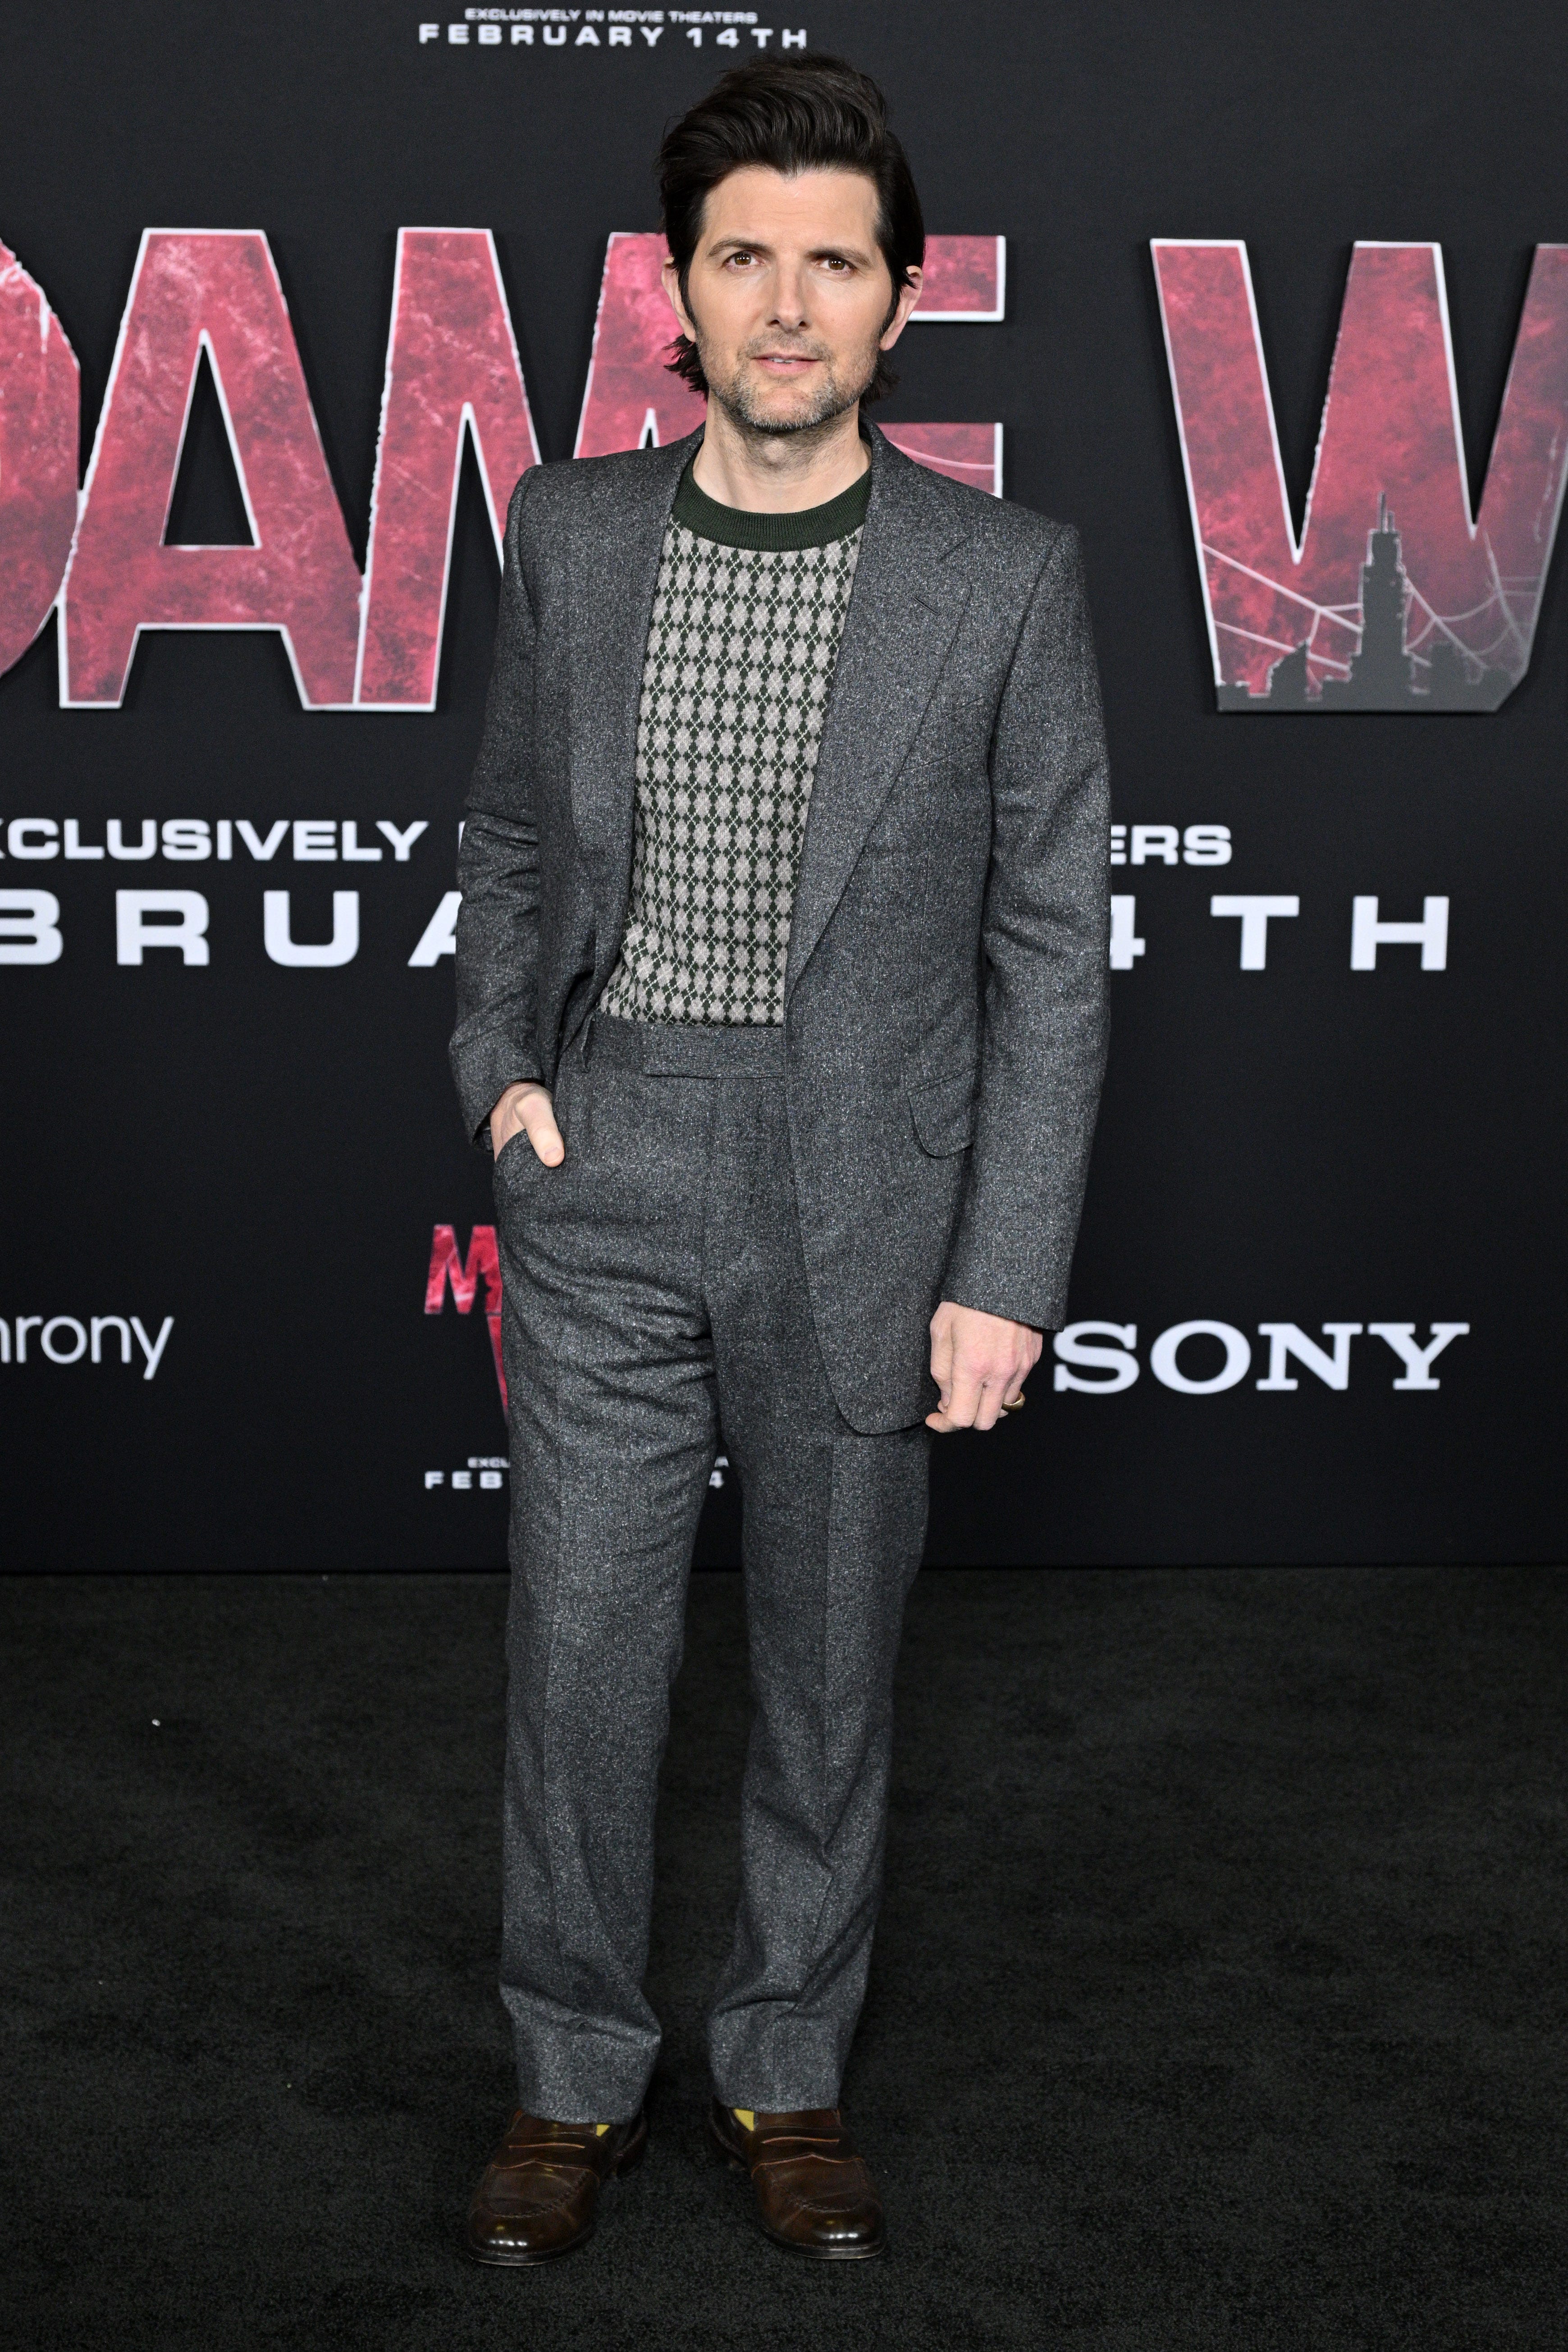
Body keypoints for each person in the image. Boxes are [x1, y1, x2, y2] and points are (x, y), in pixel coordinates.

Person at [451, 52, 1109, 2265]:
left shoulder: (1004, 578)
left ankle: (785, 2063)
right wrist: (505, 1079)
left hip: (867, 1201)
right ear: (682, 289)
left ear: (901, 298)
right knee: (580, 1663)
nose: (790, 303)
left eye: (836, 262)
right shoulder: (570, 530)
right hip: (610, 1159)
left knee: (828, 1677)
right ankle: (569, 2073)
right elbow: (511, 841)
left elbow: (1052, 948)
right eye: (747, 258)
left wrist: (1005, 1268)